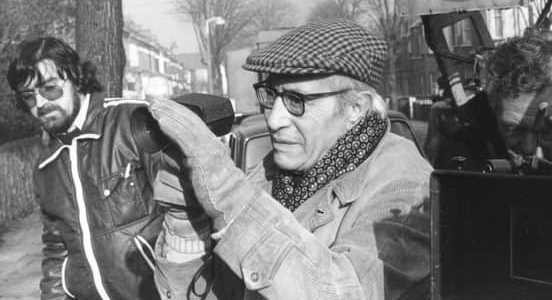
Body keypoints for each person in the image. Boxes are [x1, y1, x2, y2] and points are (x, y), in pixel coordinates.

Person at [149, 19, 432, 300]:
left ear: (355, 108)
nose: (274, 120)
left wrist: (226, 190)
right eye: (271, 95)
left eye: (297, 101)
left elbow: (343, 293)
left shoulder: (408, 189)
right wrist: (186, 223)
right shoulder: (272, 173)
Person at [6, 36, 165, 300]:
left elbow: (187, 210)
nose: (41, 104)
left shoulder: (132, 123)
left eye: (50, 89)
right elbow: (56, 251)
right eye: (28, 97)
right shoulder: (46, 168)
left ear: (77, 79)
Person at [485, 32, 552, 164]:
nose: (529, 149)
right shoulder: (469, 141)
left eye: (547, 131)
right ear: (492, 108)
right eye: (513, 131)